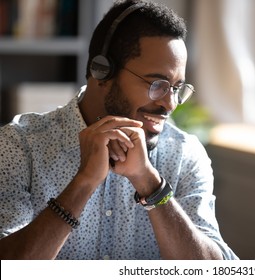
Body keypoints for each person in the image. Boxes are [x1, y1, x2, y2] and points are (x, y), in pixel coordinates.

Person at [0, 0, 238, 260]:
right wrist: (83, 183)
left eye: (177, 87)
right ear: (102, 72)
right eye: (157, 84)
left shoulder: (184, 154)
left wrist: (150, 184)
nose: (169, 103)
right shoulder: (19, 146)